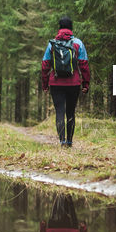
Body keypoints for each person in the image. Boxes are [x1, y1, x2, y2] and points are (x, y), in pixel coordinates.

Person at [40, 15, 90, 147]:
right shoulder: (78, 43)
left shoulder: (52, 44)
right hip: (73, 83)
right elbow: (84, 65)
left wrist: (45, 84)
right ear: (71, 28)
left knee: (60, 112)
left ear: (59, 28)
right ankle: (69, 141)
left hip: (55, 83)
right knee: (71, 112)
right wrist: (86, 83)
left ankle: (62, 141)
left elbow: (45, 65)